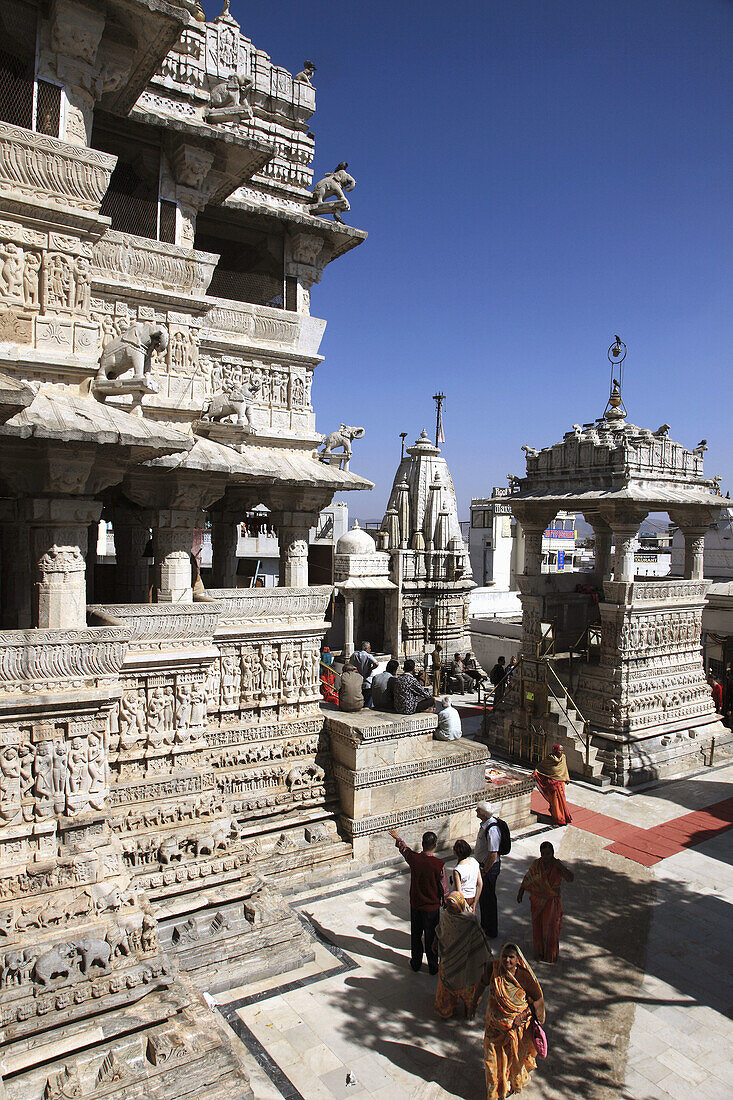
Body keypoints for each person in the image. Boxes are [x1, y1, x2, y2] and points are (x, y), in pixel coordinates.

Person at [482, 943, 545, 1100]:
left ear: (518, 960)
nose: (507, 960)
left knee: (511, 1062)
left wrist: (522, 1017)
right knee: (491, 1062)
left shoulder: (525, 977)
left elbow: (538, 1001)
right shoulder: (494, 969)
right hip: (494, 1028)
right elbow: (481, 984)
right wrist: (472, 1003)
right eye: (505, 956)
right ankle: (494, 1093)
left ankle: (508, 1086)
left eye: (511, 957)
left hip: (516, 1030)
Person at [389, 828, 448, 974]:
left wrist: (398, 839)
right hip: (432, 908)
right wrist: (446, 903)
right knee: (431, 937)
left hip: (416, 904)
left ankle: (416, 963)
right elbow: (444, 887)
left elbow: (405, 851)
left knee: (416, 935)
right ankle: (433, 966)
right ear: (435, 845)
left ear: (422, 844)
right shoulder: (439, 864)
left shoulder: (415, 859)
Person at [434, 892, 492, 1020]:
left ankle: (469, 1010)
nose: (449, 909)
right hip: (448, 961)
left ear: (460, 906)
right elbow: (440, 931)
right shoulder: (447, 916)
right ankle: (446, 1011)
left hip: (467, 963)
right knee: (446, 986)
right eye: (448, 906)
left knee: (468, 990)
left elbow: (478, 941)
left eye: (452, 907)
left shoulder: (470, 921)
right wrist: (435, 942)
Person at [517, 841, 574, 963]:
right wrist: (521, 892)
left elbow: (570, 878)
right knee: (538, 928)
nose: (546, 857)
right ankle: (539, 952)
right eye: (543, 854)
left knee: (551, 929)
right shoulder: (537, 864)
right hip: (537, 901)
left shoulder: (557, 865)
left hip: (552, 903)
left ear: (552, 853)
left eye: (548, 854)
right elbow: (528, 878)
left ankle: (550, 955)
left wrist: (561, 867)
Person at [475, 801, 502, 939]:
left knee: (488, 899)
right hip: (484, 867)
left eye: (478, 810)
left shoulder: (492, 829)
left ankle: (491, 929)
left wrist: (485, 871)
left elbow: (493, 853)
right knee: (483, 899)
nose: (476, 812)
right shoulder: (485, 825)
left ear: (484, 814)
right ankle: (485, 925)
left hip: (489, 869)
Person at [534, 743, 573, 825]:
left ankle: (564, 817)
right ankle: (558, 818)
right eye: (559, 751)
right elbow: (540, 767)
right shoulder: (549, 758)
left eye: (562, 751)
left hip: (560, 783)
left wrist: (567, 778)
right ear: (555, 751)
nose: (561, 752)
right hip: (552, 784)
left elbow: (565, 768)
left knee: (562, 801)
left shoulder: (563, 757)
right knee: (555, 803)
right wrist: (535, 773)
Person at [451, 838, 482, 913]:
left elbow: (459, 892)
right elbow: (480, 884)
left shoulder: (458, 870)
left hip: (463, 899)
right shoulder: (474, 861)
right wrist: (474, 904)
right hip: (472, 896)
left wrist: (467, 908)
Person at [351, 641, 378, 707]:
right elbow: (376, 663)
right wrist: (370, 669)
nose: (370, 650)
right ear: (367, 648)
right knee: (368, 700)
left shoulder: (355, 655)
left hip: (357, 681)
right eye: (369, 648)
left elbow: (350, 665)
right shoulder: (368, 655)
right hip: (367, 680)